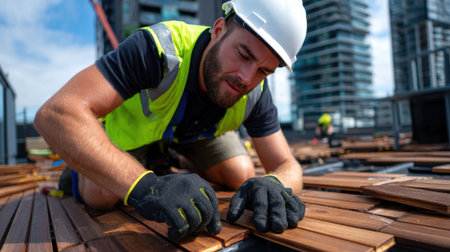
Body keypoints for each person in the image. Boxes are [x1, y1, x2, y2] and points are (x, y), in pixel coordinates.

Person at [34, 0, 307, 241]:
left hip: (188, 136)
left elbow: (287, 165)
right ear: (219, 30)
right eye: (243, 55)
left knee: (241, 174)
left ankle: (169, 159)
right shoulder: (159, 49)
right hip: (136, 132)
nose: (247, 78)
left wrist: (276, 183)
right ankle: (86, 170)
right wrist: (147, 187)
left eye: (263, 70)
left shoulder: (256, 92)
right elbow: (56, 112)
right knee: (101, 196)